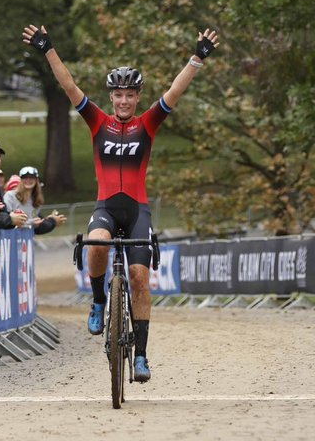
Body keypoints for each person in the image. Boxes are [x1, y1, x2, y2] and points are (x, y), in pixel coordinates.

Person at [23, 21, 219, 383]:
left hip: (137, 209)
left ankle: (141, 355)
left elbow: (175, 91)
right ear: (111, 97)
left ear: (138, 96)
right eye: (118, 95)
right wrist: (48, 48)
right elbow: (69, 86)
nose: (124, 100)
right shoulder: (98, 122)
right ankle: (99, 300)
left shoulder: (148, 123)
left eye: (130, 94)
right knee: (97, 241)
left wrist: (197, 58)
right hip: (107, 207)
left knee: (140, 278)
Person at [3, 166, 66, 235]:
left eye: (31, 178)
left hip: (27, 238)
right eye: (25, 178)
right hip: (10, 237)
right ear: (21, 180)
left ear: (36, 180)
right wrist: (31, 223)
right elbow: (6, 219)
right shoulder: (10, 196)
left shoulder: (36, 201)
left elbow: (37, 227)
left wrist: (50, 220)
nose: (28, 180)